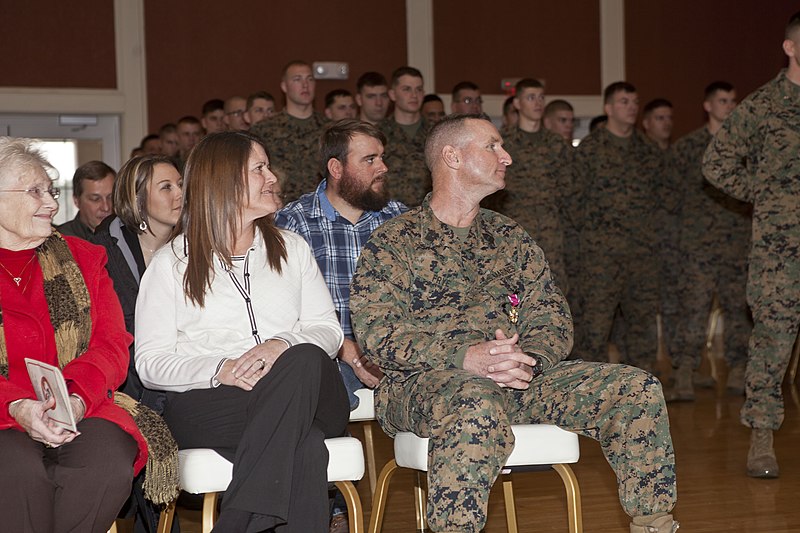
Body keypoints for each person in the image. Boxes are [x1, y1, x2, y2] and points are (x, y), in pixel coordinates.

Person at [349, 115, 678, 533]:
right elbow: (379, 335)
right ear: (452, 156)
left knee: (636, 388)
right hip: (422, 384)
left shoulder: (510, 237)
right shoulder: (395, 242)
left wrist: (528, 361)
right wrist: (464, 358)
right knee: (474, 398)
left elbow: (552, 316)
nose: (506, 156)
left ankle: (653, 523)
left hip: (518, 379)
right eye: (493, 146)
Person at [135, 131, 349, 531]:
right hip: (218, 404)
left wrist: (279, 344)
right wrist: (221, 368)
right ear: (225, 180)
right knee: (304, 450)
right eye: (259, 169)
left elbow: (327, 332)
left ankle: (234, 523)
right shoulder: (171, 265)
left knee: (301, 357)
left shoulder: (292, 248)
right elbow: (150, 364)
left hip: (309, 392)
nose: (273, 177)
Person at [0, 137, 153, 532]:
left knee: (107, 461)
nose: (51, 203)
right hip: (3, 413)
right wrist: (15, 406)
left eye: (50, 191)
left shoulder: (83, 258)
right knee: (16, 472)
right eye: (34, 191)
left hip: (79, 402)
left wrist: (76, 399)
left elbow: (111, 344)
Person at [275, 119, 406, 533]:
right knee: (314, 381)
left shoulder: (400, 220)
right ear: (336, 168)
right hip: (329, 353)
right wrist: (349, 349)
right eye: (369, 159)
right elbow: (288, 314)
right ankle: (329, 509)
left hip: (395, 351)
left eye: (382, 157)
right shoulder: (292, 224)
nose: (382, 167)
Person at [702, 11, 800, 479]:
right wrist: (765, 192)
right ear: (789, 47)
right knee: (773, 341)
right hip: (781, 251)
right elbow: (716, 164)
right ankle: (762, 435)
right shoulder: (764, 105)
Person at [92, 154, 183, 532]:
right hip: (127, 374)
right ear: (138, 198)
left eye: (181, 184)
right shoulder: (107, 248)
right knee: (144, 402)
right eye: (167, 187)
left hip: (181, 365)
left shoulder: (195, 242)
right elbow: (115, 329)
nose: (180, 194)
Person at [572, 82, 665, 373]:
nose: (632, 107)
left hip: (642, 256)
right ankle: (592, 390)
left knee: (642, 326)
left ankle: (642, 388)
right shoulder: (590, 149)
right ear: (608, 108)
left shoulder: (648, 149)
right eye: (624, 101)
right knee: (596, 327)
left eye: (635, 101)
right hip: (602, 258)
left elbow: (662, 198)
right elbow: (575, 202)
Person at [668, 82, 750, 402]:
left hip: (736, 244)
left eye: (732, 100)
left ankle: (740, 369)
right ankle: (686, 372)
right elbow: (670, 200)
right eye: (722, 100)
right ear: (707, 105)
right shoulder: (687, 148)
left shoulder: (743, 149)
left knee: (738, 310)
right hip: (697, 246)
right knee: (694, 311)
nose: (729, 106)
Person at [251, 60, 327, 203]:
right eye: (297, 79)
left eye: (310, 79)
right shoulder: (263, 130)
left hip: (322, 212)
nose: (305, 85)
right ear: (284, 86)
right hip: (280, 211)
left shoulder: (330, 129)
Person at [379, 66, 432, 207]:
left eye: (419, 89)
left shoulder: (437, 133)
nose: (414, 95)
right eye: (407, 89)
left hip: (428, 216)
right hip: (389, 216)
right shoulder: (377, 134)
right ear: (392, 94)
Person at [58, 160, 116, 240]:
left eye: (111, 197)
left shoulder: (128, 235)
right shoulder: (60, 240)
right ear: (76, 201)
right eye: (95, 199)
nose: (106, 207)